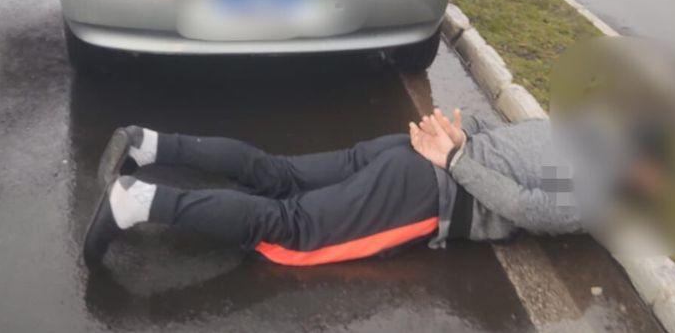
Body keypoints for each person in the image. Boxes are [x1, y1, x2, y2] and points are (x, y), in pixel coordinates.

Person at [83, 108, 598, 267]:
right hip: (425, 188)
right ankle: (137, 200)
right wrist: (456, 156)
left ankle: (148, 144)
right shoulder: (601, 187)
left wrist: (461, 139)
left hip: (407, 152)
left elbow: (505, 149)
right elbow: (525, 205)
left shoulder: (579, 130)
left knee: (279, 173)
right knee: (294, 228)